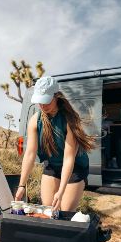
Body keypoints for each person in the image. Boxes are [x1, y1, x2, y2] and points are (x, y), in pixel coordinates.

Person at [14, 76, 96, 212]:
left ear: (56, 96)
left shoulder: (70, 120)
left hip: (74, 168)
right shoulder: (35, 121)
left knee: (64, 211)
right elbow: (29, 154)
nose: (42, 105)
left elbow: (69, 158)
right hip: (52, 166)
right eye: (39, 101)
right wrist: (22, 185)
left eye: (46, 101)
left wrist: (61, 191)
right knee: (48, 210)